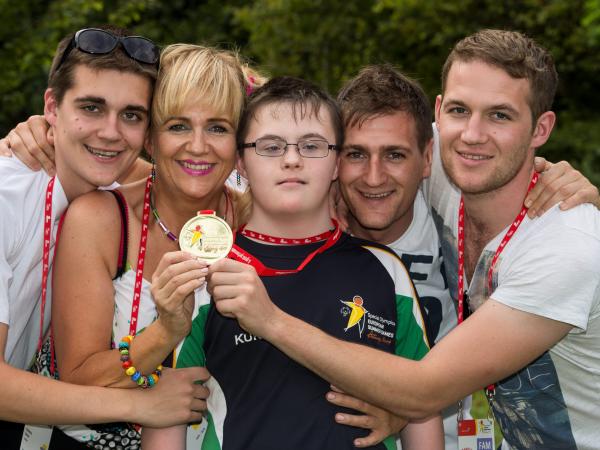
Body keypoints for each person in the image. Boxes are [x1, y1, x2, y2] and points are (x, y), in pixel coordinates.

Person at [205, 30, 600, 449]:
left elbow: (423, 391)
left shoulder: (564, 248)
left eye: (500, 115)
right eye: (460, 110)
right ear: (439, 114)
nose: (472, 134)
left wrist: (270, 321)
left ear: (541, 128)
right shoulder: (446, 162)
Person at [143, 76, 444, 449]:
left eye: (312, 146)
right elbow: (165, 421)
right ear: (241, 162)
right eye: (270, 146)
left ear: (337, 162)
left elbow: (424, 411)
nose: (291, 160)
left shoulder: (386, 271)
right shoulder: (206, 274)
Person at [0, 26, 209, 447]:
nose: (111, 132)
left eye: (131, 115)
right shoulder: (6, 198)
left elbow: (185, 173)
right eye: (91, 108)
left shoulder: (107, 186)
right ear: (51, 108)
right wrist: (138, 406)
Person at [37, 43, 246, 448]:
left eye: (218, 127)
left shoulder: (257, 219)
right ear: (150, 138)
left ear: (240, 142)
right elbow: (78, 375)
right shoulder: (101, 219)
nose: (199, 146)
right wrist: (167, 329)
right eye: (178, 126)